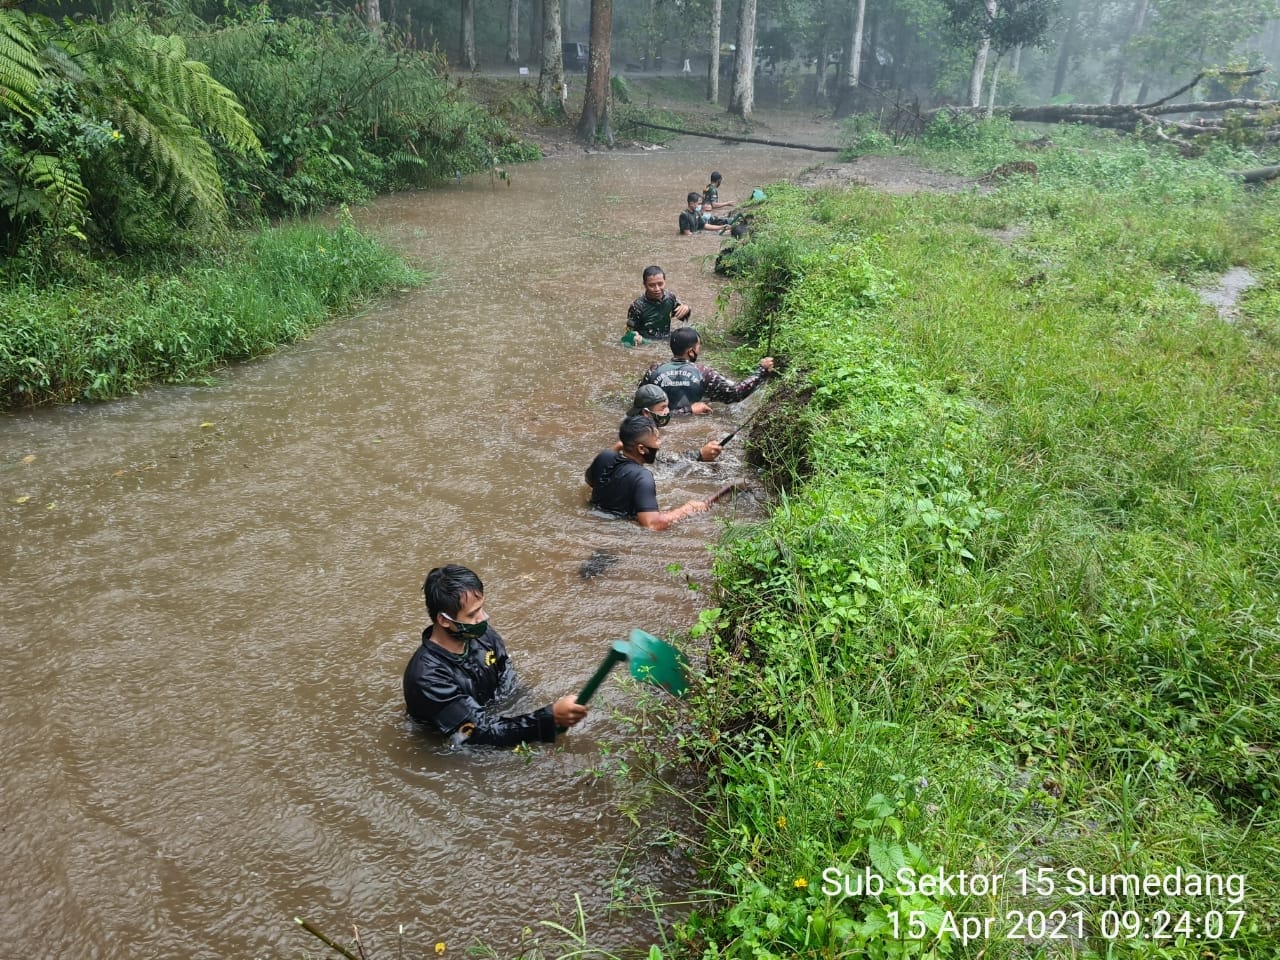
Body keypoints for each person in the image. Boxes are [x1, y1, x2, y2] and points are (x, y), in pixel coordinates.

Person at [403, 564, 588, 746]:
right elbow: (478, 734)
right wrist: (548, 717)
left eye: (481, 608)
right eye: (472, 614)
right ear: (444, 620)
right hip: (458, 743)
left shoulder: (482, 635)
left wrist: (535, 715)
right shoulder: (427, 677)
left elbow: (507, 677)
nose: (483, 618)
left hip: (490, 719)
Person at [585, 415, 712, 529]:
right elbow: (652, 524)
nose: (659, 443)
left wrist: (617, 448)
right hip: (620, 534)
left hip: (594, 522)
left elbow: (590, 481)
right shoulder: (642, 477)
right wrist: (688, 509)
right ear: (641, 449)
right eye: (656, 439)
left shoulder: (605, 456)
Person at [640, 327, 774, 416]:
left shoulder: (654, 370)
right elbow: (736, 393)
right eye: (698, 346)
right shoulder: (704, 373)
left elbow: (641, 407)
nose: (699, 349)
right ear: (691, 352)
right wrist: (761, 371)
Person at [624, 383, 722, 462]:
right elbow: (657, 459)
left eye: (667, 406)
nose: (667, 411)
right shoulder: (638, 432)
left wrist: (689, 410)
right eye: (662, 408)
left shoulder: (642, 423)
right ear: (646, 412)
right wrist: (699, 455)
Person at [625, 265, 691, 342]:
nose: (657, 289)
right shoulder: (637, 307)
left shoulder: (670, 298)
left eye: (660, 284)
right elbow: (628, 333)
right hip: (646, 342)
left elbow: (683, 317)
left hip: (666, 338)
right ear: (644, 285)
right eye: (651, 285)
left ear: (665, 281)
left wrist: (687, 310)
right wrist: (633, 336)